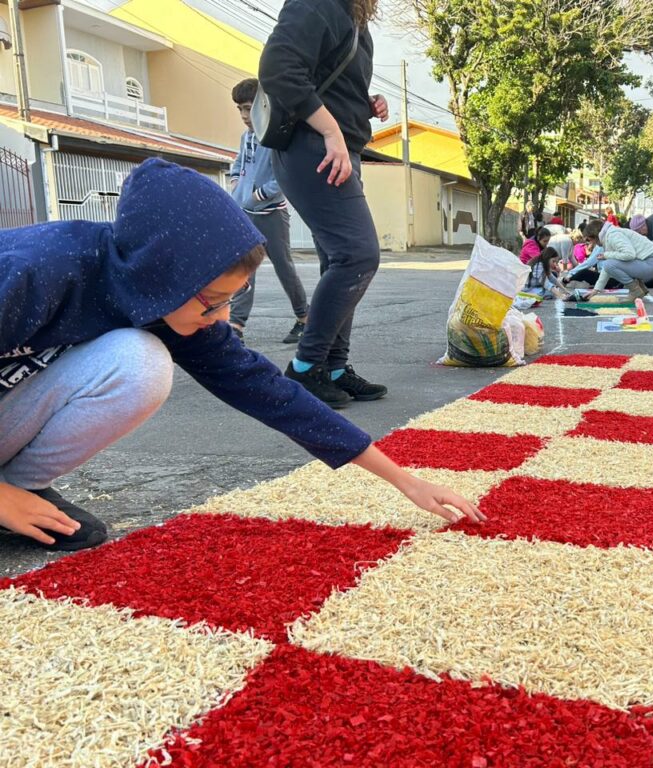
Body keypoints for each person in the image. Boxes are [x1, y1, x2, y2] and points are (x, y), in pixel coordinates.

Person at [0, 160, 483, 552]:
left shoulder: (164, 302)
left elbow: (271, 394)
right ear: (158, 272)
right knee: (138, 357)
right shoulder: (33, 270)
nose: (222, 315)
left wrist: (405, 481)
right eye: (211, 299)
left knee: (139, 362)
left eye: (233, 297)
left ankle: (22, 486)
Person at [259, 0, 390, 407]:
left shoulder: (351, 17)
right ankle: (304, 368)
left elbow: (325, 79)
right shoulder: (317, 2)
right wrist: (332, 130)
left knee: (340, 260)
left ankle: (334, 367)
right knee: (357, 255)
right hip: (312, 147)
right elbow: (278, 68)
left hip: (338, 148)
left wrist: (364, 102)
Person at [228, 78, 309, 345]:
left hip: (272, 213)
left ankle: (304, 319)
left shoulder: (276, 134)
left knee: (284, 267)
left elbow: (288, 173)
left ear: (262, 106)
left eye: (248, 107)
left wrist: (260, 195)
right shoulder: (246, 136)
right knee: (243, 270)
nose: (243, 115)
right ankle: (236, 325)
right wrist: (235, 184)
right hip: (245, 213)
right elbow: (239, 162)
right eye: (239, 108)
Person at [581, 220, 653, 300]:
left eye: (589, 240)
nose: (591, 243)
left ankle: (635, 291)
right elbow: (607, 269)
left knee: (609, 263)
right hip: (651, 262)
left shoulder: (613, 235)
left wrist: (606, 255)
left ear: (595, 235)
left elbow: (629, 254)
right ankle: (641, 289)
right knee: (609, 264)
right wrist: (596, 290)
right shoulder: (610, 234)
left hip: (651, 263)